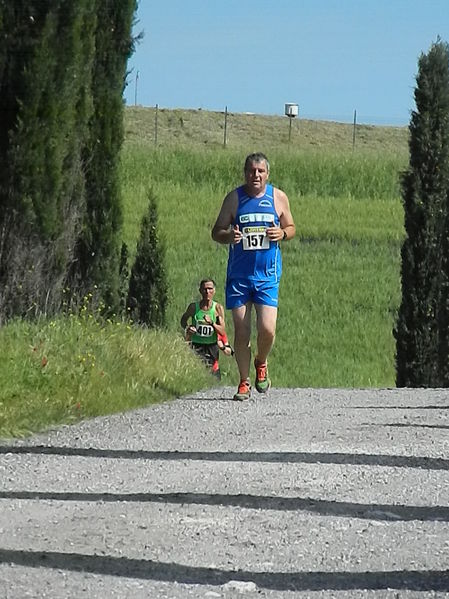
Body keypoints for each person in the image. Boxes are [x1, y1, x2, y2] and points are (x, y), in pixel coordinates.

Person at [211, 152, 295, 400]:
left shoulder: (278, 198)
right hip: (239, 277)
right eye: (251, 171)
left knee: (267, 329)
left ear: (267, 174)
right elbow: (217, 231)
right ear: (244, 173)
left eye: (260, 171)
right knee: (242, 331)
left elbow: (291, 227)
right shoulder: (234, 199)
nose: (255, 175)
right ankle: (243, 381)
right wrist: (229, 237)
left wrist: (282, 233)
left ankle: (261, 362)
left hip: (267, 275)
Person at [180, 278, 231, 378]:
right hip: (196, 345)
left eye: (210, 289)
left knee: (213, 376)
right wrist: (188, 328)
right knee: (195, 374)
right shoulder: (193, 307)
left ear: (214, 291)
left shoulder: (217, 308)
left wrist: (212, 323)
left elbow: (222, 331)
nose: (207, 292)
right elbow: (183, 320)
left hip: (211, 346)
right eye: (204, 289)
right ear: (200, 291)